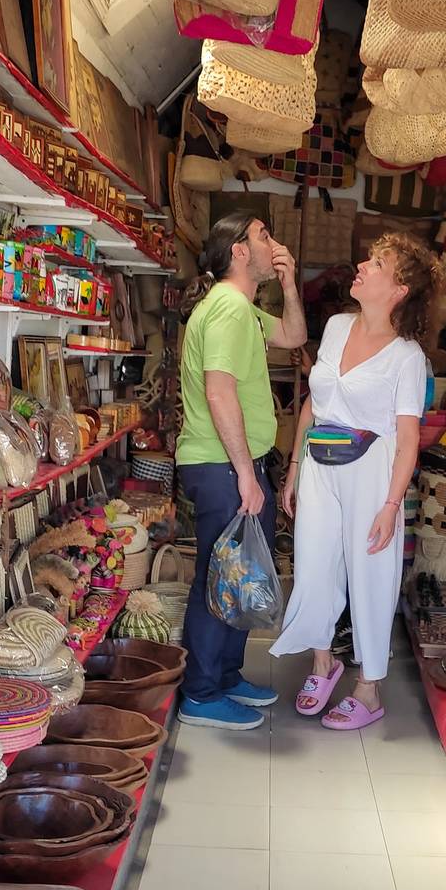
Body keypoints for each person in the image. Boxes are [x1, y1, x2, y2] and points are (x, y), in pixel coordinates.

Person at [270, 230, 442, 729]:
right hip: (321, 464)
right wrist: (296, 468)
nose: (362, 266)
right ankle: (324, 664)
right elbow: (313, 403)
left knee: (371, 575)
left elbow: (408, 440)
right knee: (314, 563)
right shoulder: (338, 327)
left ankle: (368, 689)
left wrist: (392, 504)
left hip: (373, 471)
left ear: (399, 290)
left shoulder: (407, 356)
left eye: (377, 263)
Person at [177, 211, 307, 731]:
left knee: (238, 572)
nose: (270, 244)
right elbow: (218, 391)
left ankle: (226, 677)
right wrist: (245, 475)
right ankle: (202, 694)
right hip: (221, 464)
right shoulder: (229, 308)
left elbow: (295, 335)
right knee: (219, 573)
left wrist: (291, 282)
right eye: (262, 236)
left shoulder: (245, 310)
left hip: (231, 463)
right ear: (238, 251)